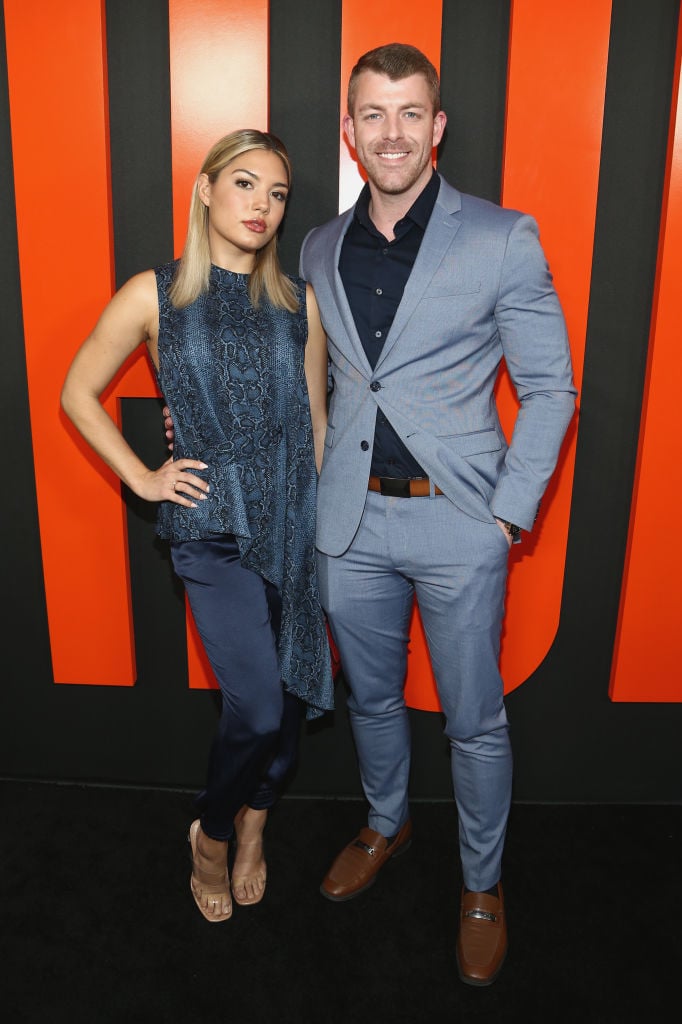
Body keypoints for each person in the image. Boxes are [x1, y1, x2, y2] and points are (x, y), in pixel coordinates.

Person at [298, 43, 577, 985]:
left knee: (474, 721)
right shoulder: (318, 247)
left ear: (438, 126)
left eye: (410, 113)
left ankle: (483, 884)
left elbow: (551, 389)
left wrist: (506, 516)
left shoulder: (501, 236)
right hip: (351, 527)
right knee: (371, 700)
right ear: (350, 130)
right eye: (374, 114)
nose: (393, 133)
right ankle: (387, 822)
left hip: (461, 522)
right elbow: (323, 381)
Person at [61, 129, 334, 924]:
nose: (261, 205)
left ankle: (255, 828)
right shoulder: (155, 294)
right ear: (207, 190)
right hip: (211, 527)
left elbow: (314, 424)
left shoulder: (300, 303)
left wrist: (319, 529)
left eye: (277, 194)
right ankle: (211, 835)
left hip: (292, 524)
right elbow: (77, 391)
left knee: (287, 715)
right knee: (256, 708)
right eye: (244, 183)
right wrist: (144, 477)